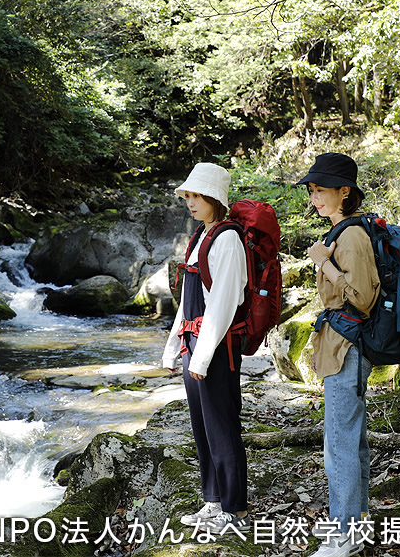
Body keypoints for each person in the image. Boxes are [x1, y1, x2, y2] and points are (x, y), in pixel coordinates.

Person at [298, 153, 380, 557]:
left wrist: (324, 265)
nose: (316, 198)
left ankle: (345, 534)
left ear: (345, 191)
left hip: (348, 347)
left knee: (340, 443)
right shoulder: (339, 233)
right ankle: (356, 525)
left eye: (322, 190)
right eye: (312, 191)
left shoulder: (351, 236)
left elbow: (361, 299)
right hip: (338, 345)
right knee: (349, 439)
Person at [161, 162, 250, 532]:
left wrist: (203, 354)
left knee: (222, 426)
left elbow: (224, 303)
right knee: (202, 427)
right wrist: (172, 347)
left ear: (215, 197)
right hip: (193, 342)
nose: (190, 202)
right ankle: (212, 501)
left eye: (197, 196)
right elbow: (187, 299)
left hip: (215, 347)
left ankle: (235, 509)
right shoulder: (201, 235)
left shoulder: (228, 239)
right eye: (188, 196)